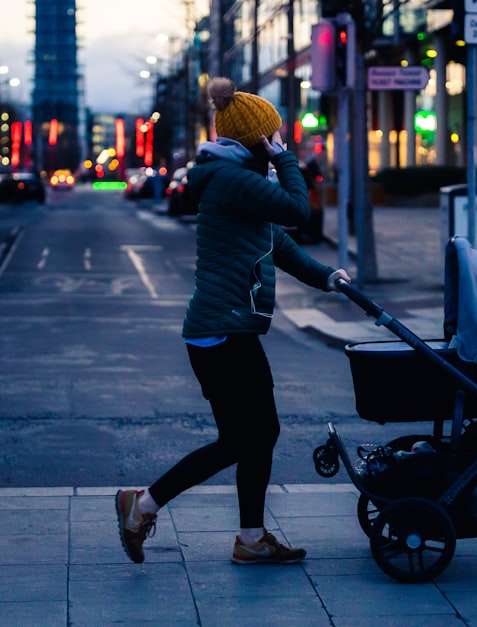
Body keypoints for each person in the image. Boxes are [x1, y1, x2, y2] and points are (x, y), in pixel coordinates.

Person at [116, 77, 351, 565]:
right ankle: (143, 504)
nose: (281, 145)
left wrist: (328, 277)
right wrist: (285, 158)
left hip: (231, 329)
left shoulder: (239, 181)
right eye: (274, 136)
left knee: (257, 434)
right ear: (258, 140)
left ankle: (250, 538)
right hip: (221, 332)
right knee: (246, 437)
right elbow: (296, 212)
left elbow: (277, 242)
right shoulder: (232, 179)